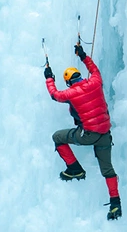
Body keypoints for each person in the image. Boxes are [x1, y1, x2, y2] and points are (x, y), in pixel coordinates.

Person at [44, 43, 122, 220]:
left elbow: (54, 95)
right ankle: (115, 203)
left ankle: (74, 169)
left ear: (68, 81)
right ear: (79, 77)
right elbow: (94, 69)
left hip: (88, 135)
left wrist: (49, 78)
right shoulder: (95, 82)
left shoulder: (71, 93)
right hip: (105, 135)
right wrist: (83, 55)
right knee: (107, 170)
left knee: (57, 137)